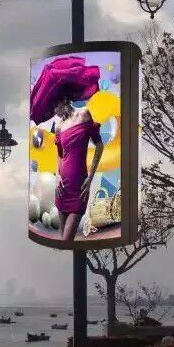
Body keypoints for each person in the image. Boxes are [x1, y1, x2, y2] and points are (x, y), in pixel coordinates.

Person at [54, 99, 104, 242]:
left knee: (66, 240)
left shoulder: (84, 114)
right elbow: (60, 154)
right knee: (63, 243)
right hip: (62, 189)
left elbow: (99, 145)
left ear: (64, 100)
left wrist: (91, 177)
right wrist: (57, 176)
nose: (54, 111)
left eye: (55, 105)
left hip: (80, 188)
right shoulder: (59, 126)